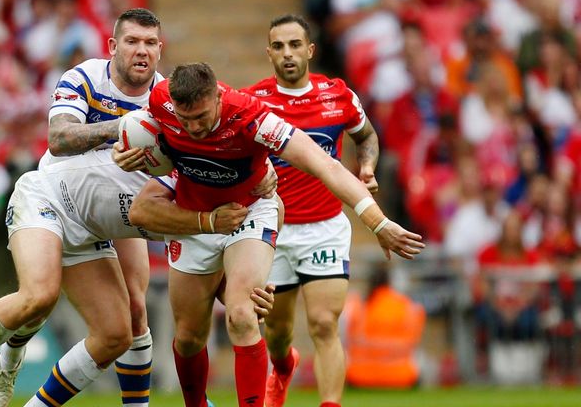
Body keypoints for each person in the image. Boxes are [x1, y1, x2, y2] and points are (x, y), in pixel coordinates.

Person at [0, 8, 276, 407]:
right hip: (55, 198)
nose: (142, 51)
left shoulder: (173, 104)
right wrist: (121, 128)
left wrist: (247, 285)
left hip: (108, 217)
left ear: (160, 50)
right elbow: (58, 138)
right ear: (113, 46)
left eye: (150, 43)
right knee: (40, 296)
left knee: (127, 322)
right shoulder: (86, 78)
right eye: (133, 42)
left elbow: (218, 154)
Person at [115, 62, 424, 407]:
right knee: (188, 337)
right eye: (185, 120)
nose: (193, 128)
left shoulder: (252, 117)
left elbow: (326, 165)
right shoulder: (161, 99)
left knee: (243, 315)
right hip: (196, 214)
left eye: (201, 117)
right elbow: (137, 132)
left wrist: (378, 223)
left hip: (249, 210)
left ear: (217, 96)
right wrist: (120, 149)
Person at [241, 14, 379, 407]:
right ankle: (283, 369)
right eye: (279, 46)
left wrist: (366, 166)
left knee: (323, 324)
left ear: (310, 49)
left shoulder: (337, 95)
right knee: (279, 334)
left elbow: (366, 136)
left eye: (295, 45)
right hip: (274, 231)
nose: (288, 54)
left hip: (325, 228)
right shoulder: (253, 102)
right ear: (269, 53)